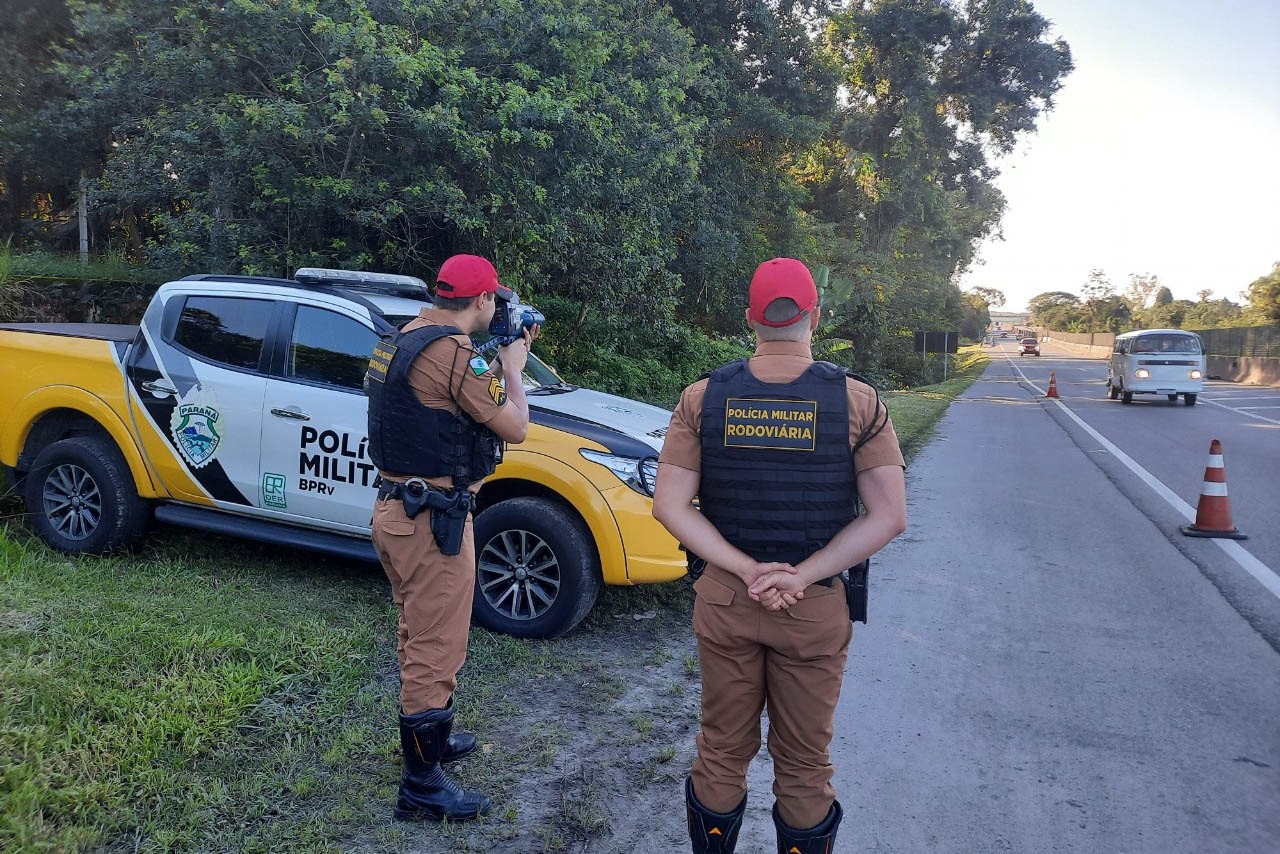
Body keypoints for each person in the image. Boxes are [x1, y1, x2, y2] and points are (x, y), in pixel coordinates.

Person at [652, 258, 907, 853]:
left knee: (720, 750)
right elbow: (890, 516)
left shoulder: (703, 396)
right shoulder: (857, 401)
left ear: (751, 320)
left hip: (725, 599)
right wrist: (803, 574)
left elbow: (670, 506)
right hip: (813, 607)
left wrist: (744, 569)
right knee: (804, 762)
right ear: (814, 316)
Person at [364, 253, 538, 822]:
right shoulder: (454, 352)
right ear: (482, 301)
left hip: (396, 512)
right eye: (495, 300)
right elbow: (514, 424)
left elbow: (435, 402)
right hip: (431, 520)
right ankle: (422, 785)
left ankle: (431, 742)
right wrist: (513, 366)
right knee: (436, 648)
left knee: (419, 632)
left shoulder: (401, 338)